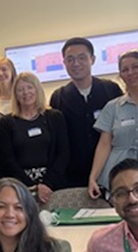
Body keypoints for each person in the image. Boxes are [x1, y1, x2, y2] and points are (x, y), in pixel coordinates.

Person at [49, 37, 124, 188]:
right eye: (70, 59)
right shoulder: (58, 97)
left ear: (93, 59)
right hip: (73, 177)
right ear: (64, 63)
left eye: (82, 58)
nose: (76, 64)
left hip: (111, 170)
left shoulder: (111, 90)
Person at [88, 50, 138, 199]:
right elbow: (104, 144)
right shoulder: (113, 107)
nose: (130, 72)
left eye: (135, 67)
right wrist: (93, 177)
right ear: (121, 76)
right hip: (117, 174)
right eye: (125, 70)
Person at [0, 72, 70, 204]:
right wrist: (32, 186)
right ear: (15, 94)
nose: (25, 93)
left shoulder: (54, 117)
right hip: (21, 187)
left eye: (29, 87)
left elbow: (63, 153)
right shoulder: (7, 122)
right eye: (20, 89)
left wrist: (46, 184)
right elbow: (6, 159)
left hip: (53, 184)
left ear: (37, 89)